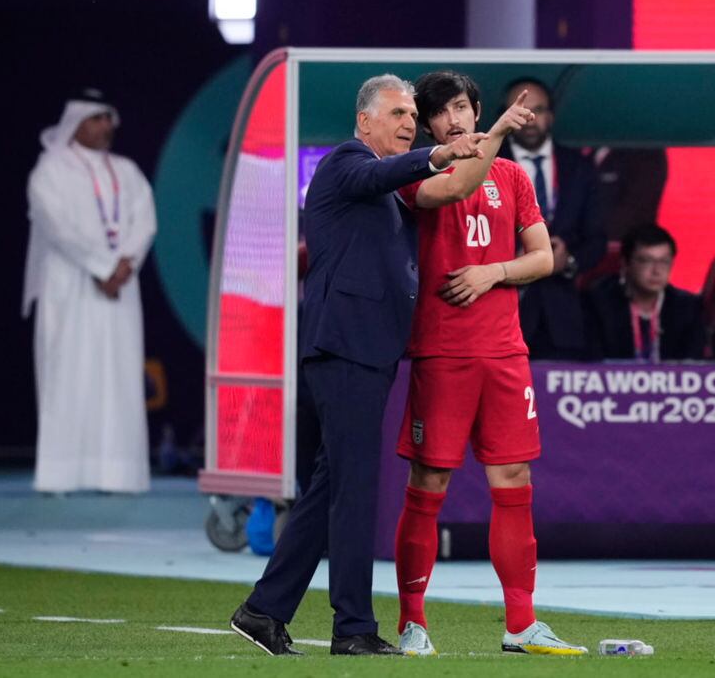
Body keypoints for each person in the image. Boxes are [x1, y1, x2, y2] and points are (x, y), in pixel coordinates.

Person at [229, 74, 491, 657]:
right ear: (364, 121)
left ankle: (264, 610)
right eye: (396, 113)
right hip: (344, 346)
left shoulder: (385, 189)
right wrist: (439, 153)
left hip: (364, 349)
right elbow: (382, 173)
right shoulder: (345, 163)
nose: (407, 123)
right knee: (355, 491)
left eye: (411, 116)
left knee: (333, 487)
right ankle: (352, 629)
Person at [393, 70, 588, 656]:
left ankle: (521, 625)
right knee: (430, 483)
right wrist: (499, 130)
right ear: (427, 126)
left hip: (505, 353)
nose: (452, 120)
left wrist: (492, 272)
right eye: (439, 114)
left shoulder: (512, 176)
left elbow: (543, 259)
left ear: (473, 107)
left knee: (514, 481)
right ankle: (413, 624)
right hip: (442, 351)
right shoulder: (416, 171)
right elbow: (453, 189)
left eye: (460, 107)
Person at [22, 88, 156, 493]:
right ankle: (60, 474)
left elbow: (144, 220)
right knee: (67, 374)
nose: (106, 126)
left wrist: (124, 264)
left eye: (108, 118)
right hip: (70, 286)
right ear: (75, 122)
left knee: (118, 377)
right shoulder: (50, 170)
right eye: (97, 118)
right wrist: (102, 266)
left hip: (120, 289)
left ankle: (118, 474)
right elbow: (57, 226)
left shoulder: (128, 170)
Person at [497, 77, 605, 360]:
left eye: (538, 109)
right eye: (521, 111)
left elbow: (597, 238)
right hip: (502, 314)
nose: (530, 119)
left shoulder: (579, 166)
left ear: (551, 115)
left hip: (564, 316)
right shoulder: (486, 163)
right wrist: (514, 260)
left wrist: (567, 261)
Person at [582, 224, 704, 361]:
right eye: (647, 261)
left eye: (664, 262)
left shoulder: (687, 307)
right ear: (626, 264)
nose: (657, 271)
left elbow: (692, 365)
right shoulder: (598, 303)